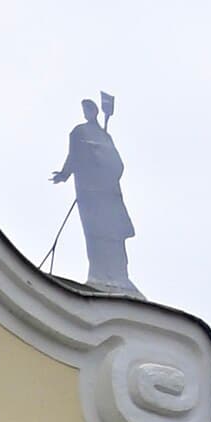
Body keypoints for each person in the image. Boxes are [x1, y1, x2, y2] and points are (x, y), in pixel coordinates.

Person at [54, 91, 133, 291]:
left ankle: (119, 274)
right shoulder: (79, 132)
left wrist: (103, 157)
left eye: (89, 109)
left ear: (95, 111)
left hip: (107, 192)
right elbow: (74, 156)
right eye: (84, 110)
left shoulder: (105, 136)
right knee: (95, 232)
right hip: (90, 192)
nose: (87, 113)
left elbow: (118, 164)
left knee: (114, 233)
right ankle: (99, 271)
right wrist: (64, 173)